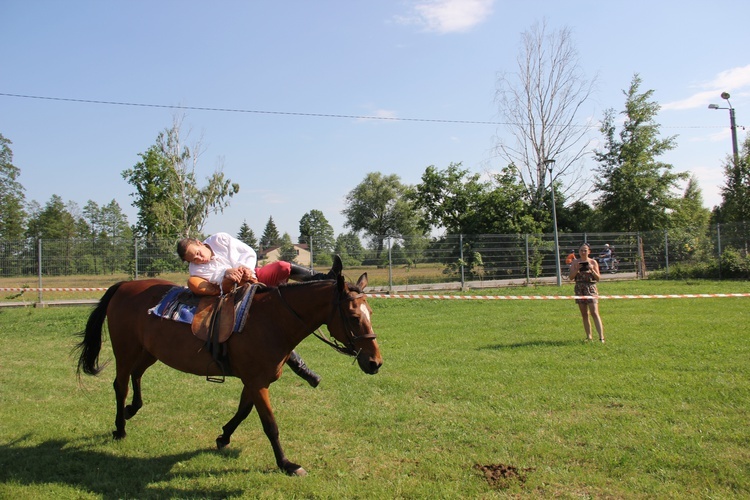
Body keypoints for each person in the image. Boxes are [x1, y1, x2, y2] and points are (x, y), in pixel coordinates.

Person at [176, 232, 328, 386]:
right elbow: (218, 287)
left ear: (199, 243)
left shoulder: (219, 239)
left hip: (253, 274)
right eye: (194, 259)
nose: (200, 259)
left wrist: (244, 269)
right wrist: (227, 274)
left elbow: (247, 251)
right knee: (271, 326)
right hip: (236, 291)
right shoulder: (196, 270)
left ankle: (327, 280)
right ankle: (302, 369)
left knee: (282, 267)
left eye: (197, 253)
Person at [568, 242, 605, 343]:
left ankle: (601, 337)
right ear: (578, 252)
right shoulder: (575, 263)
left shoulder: (593, 262)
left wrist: (592, 270)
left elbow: (598, 278)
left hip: (591, 287)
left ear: (589, 251)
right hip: (580, 288)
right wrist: (576, 270)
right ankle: (589, 336)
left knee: (594, 312)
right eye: (581, 250)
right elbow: (571, 277)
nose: (583, 252)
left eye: (585, 250)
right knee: (584, 313)